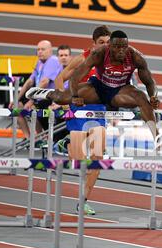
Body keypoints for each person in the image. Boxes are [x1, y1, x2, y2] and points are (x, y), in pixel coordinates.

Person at [26, 30, 162, 149]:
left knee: (142, 97)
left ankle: (157, 136)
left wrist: (154, 96)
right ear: (110, 46)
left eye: (124, 46)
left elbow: (149, 81)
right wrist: (74, 96)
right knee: (62, 98)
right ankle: (44, 93)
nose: (121, 50)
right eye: (117, 47)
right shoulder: (98, 54)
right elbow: (75, 77)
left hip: (120, 90)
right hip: (98, 88)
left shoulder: (136, 57)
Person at [51, 25, 112, 216]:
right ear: (93, 44)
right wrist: (64, 105)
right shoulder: (83, 58)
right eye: (101, 42)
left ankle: (82, 201)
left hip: (99, 112)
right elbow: (60, 78)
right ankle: (67, 142)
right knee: (80, 158)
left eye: (108, 43)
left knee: (96, 161)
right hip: (79, 110)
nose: (105, 46)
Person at [13, 40, 66, 147]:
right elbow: (30, 81)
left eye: (43, 49)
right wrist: (16, 99)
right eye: (38, 49)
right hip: (39, 96)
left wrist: (31, 99)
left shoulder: (53, 61)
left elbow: (44, 82)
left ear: (50, 51)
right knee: (17, 106)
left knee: (32, 107)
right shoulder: (40, 63)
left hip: (49, 97)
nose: (40, 52)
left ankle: (41, 137)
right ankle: (29, 138)